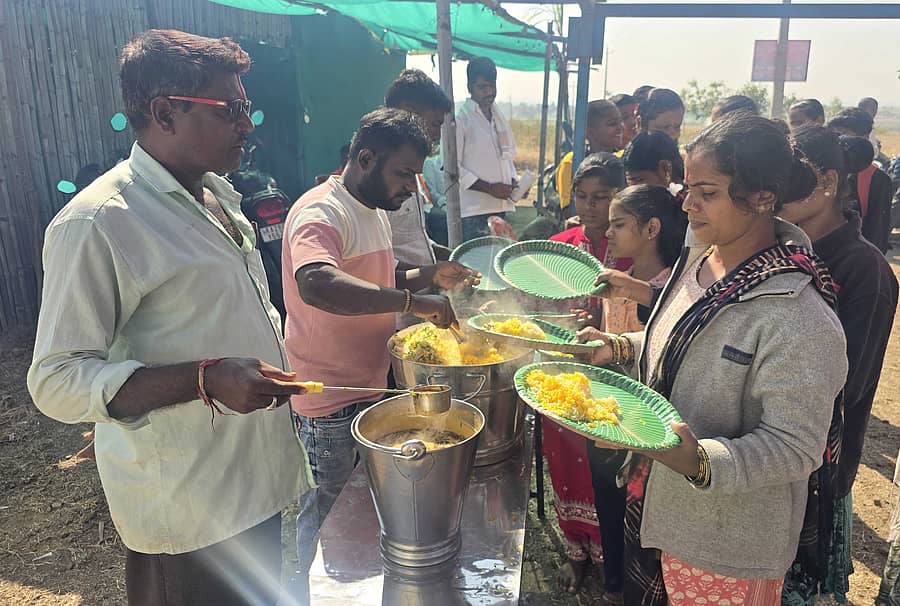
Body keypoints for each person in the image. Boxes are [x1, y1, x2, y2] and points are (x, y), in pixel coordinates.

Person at [28, 29, 311, 606]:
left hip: (250, 482)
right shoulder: (99, 223)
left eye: (245, 107)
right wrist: (203, 378)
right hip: (187, 508)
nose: (249, 123)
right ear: (164, 112)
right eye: (230, 109)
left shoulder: (219, 195)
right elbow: (56, 380)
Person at [580, 113, 847, 606]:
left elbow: (795, 445)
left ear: (763, 198)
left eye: (707, 191)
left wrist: (695, 459)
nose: (687, 203)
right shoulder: (701, 260)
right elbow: (682, 343)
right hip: (659, 507)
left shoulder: (799, 315)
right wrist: (620, 346)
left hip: (724, 545)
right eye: (687, 186)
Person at [281, 108, 478, 597]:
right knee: (326, 515)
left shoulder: (373, 211)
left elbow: (375, 282)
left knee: (360, 511)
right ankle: (306, 594)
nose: (413, 186)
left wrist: (429, 276)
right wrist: (414, 301)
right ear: (365, 157)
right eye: (405, 173)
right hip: (328, 398)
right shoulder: (320, 212)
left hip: (370, 386)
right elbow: (319, 283)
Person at [779, 125, 898, 605]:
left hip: (814, 465)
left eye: (789, 178)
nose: (774, 191)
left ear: (827, 182)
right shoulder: (784, 249)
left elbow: (848, 384)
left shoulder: (863, 268)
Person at [543, 152, 631, 598]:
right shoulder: (557, 247)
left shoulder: (636, 248)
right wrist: (560, 311)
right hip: (561, 371)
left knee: (608, 467)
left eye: (602, 197)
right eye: (583, 196)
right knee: (564, 464)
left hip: (616, 376)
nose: (591, 206)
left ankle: (611, 560)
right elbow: (538, 302)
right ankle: (577, 553)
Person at [384, 68, 453, 265]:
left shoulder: (411, 171)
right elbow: (378, 261)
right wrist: (429, 275)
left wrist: (454, 258)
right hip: (400, 295)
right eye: (435, 124)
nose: (438, 135)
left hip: (420, 293)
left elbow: (414, 241)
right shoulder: (378, 180)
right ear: (409, 112)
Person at [603, 185, 684, 334]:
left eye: (619, 225)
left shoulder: (676, 292)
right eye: (610, 225)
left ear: (652, 228)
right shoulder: (613, 284)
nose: (608, 233)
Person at [456, 56, 519, 240]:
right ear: (470, 87)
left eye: (492, 86)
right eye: (482, 87)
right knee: (475, 267)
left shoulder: (498, 118)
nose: (489, 92)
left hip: (500, 207)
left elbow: (505, 158)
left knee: (497, 264)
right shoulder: (461, 120)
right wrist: (489, 188)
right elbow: (452, 168)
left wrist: (513, 181)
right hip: (474, 211)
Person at [827, 108, 893, 252]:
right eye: (835, 135)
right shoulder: (822, 171)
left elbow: (877, 232)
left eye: (844, 135)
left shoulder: (877, 179)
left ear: (864, 138)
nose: (838, 142)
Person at [556, 100, 625, 211]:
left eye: (621, 122)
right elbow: (569, 210)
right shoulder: (572, 162)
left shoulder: (623, 158)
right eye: (612, 124)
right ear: (589, 131)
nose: (620, 127)